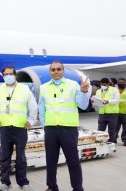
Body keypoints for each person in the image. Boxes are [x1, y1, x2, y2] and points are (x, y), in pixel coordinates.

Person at [38, 61, 90, 191]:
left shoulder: (73, 85)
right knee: (51, 161)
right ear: (50, 72)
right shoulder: (44, 87)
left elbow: (83, 106)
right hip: (51, 129)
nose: (56, 72)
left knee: (73, 161)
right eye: (53, 69)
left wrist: (84, 93)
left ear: (63, 71)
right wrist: (46, 125)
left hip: (68, 129)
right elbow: (42, 108)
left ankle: (78, 188)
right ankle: (52, 186)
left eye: (58, 69)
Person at [0, 66, 37, 191]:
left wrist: (31, 121)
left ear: (15, 75)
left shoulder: (24, 89)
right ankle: (5, 182)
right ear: (3, 76)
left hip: (20, 128)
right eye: (5, 74)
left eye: (10, 74)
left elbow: (33, 106)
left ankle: (23, 182)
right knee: (4, 157)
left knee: (21, 157)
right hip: (5, 129)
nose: (8, 76)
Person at [95, 77, 119, 143]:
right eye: (102, 85)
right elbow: (97, 100)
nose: (103, 86)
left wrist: (108, 101)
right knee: (100, 129)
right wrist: (94, 101)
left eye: (105, 85)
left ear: (108, 84)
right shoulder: (98, 91)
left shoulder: (114, 90)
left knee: (111, 130)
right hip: (102, 113)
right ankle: (100, 142)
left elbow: (117, 100)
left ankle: (111, 142)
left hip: (112, 113)